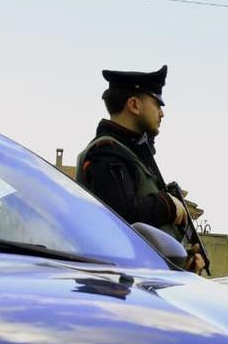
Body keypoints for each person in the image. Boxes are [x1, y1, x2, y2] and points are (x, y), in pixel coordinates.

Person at [76, 65, 207, 273]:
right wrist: (168, 206)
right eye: (157, 104)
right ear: (134, 105)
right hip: (118, 287)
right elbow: (121, 214)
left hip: (141, 283)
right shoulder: (105, 153)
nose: (162, 113)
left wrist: (182, 262)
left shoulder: (131, 153)